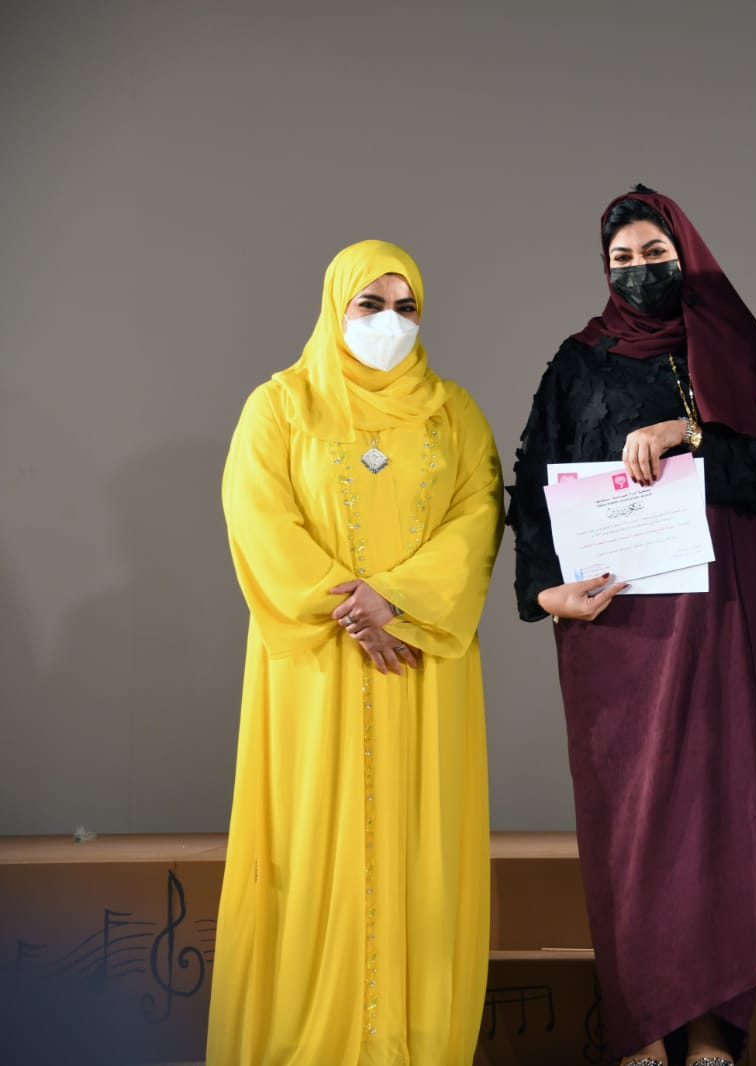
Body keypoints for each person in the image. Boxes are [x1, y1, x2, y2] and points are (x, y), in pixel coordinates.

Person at [506, 187, 756, 1066]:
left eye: (655, 255)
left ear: (687, 255)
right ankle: (643, 1026)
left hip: (718, 621)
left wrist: (694, 431)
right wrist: (544, 593)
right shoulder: (579, 362)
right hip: (615, 628)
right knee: (630, 820)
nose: (640, 272)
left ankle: (714, 1027)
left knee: (722, 807)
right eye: (623, 260)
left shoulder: (735, 351)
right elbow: (533, 486)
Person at [209, 240, 503, 1065]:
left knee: (420, 849)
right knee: (311, 847)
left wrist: (396, 601)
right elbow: (257, 517)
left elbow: (480, 517)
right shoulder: (281, 406)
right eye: (369, 304)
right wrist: (354, 608)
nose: (389, 321)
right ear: (335, 306)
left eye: (406, 307)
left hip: (419, 661)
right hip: (316, 665)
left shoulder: (454, 413)